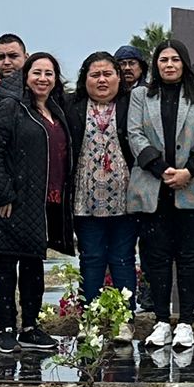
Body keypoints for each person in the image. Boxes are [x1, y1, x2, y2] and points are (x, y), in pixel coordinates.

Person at [0, 52, 75, 353]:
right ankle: (5, 328)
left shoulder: (56, 112)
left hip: (45, 201)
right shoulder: (10, 107)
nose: (43, 79)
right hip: (11, 201)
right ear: (26, 76)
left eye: (49, 73)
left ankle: (30, 326)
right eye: (37, 72)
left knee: (34, 265)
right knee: (5, 264)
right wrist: (4, 191)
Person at [127, 40, 194, 349]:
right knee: (156, 257)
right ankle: (162, 320)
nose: (169, 65)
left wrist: (187, 171)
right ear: (156, 65)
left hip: (189, 187)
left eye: (175, 59)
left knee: (189, 258)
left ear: (185, 63)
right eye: (163, 59)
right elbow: (134, 135)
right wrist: (162, 169)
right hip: (153, 187)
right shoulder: (140, 95)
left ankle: (186, 323)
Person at [64, 51, 138, 343]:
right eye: (95, 75)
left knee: (122, 258)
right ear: (85, 79)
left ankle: (124, 320)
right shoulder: (72, 106)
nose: (102, 80)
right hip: (85, 197)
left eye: (108, 74)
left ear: (119, 77)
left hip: (125, 195)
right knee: (91, 258)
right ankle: (90, 320)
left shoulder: (132, 105)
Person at [0, 33, 27, 98]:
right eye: (1, 57)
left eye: (13, 56)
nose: (6, 62)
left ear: (26, 58)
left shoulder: (40, 92)